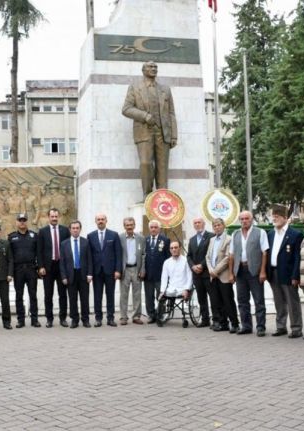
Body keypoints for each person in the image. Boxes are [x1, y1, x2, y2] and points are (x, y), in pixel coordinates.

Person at [121, 61, 177, 197]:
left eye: (155, 67)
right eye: (150, 67)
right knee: (145, 163)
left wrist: (174, 135)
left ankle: (162, 197)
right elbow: (126, 109)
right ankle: (147, 195)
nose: (153, 69)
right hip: (144, 132)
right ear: (143, 70)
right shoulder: (135, 88)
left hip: (163, 133)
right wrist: (144, 116)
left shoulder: (165, 89)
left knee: (162, 168)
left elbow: (171, 113)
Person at [228, 211, 269, 336]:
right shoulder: (235, 234)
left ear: (251, 219)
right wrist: (231, 273)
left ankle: (261, 327)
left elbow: (264, 253)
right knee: (242, 300)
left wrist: (263, 271)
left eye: (246, 218)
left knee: (259, 300)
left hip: (255, 271)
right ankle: (246, 326)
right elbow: (231, 255)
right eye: (242, 219)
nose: (244, 221)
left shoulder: (260, 232)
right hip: (240, 270)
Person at [266, 206, 304, 338]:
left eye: (277, 216)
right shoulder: (271, 234)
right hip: (273, 272)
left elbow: (297, 257)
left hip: (288, 274)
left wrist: (295, 276)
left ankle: (296, 328)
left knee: (292, 302)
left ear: (286, 218)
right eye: (273, 216)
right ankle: (281, 326)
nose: (274, 218)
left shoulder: (295, 234)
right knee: (278, 302)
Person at [37, 208, 70, 328]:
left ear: (58, 217)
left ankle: (63, 318)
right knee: (48, 295)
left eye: (56, 216)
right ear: (48, 217)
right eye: (52, 216)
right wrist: (41, 266)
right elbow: (39, 251)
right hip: (48, 267)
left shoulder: (65, 230)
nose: (54, 218)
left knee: (63, 294)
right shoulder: (42, 231)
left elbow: (68, 249)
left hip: (61, 267)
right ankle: (49, 319)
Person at [87, 213, 122, 327]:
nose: (100, 221)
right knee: (97, 296)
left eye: (102, 219)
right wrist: (90, 272)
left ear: (106, 221)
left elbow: (118, 254)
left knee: (110, 295)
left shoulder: (114, 235)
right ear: (96, 221)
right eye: (98, 219)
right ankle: (98, 318)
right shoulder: (90, 236)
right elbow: (89, 256)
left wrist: (118, 270)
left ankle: (110, 318)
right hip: (96, 271)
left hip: (110, 271)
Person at [206, 218, 238, 332]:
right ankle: (223, 323)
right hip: (213, 276)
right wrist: (210, 270)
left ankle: (235, 324)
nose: (217, 227)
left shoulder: (229, 239)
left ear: (223, 226)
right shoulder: (212, 240)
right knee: (217, 301)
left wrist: (215, 271)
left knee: (228, 301)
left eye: (219, 225)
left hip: (223, 275)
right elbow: (207, 257)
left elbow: (227, 258)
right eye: (214, 226)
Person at [9, 213, 40, 328]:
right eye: (20, 220)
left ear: (27, 222)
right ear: (17, 222)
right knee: (19, 296)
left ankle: (34, 319)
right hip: (18, 270)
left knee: (33, 295)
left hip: (31, 269)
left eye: (24, 220)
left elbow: (38, 253)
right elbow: (10, 257)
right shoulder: (11, 237)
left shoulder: (34, 236)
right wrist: (10, 272)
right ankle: (20, 320)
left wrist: (39, 267)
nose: (22, 222)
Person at [60, 220, 93, 328]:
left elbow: (89, 259)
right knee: (72, 299)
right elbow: (62, 262)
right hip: (71, 275)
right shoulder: (64, 244)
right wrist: (64, 276)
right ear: (70, 230)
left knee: (84, 299)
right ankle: (74, 320)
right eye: (73, 228)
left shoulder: (86, 242)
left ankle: (85, 319)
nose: (75, 230)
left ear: (80, 229)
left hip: (83, 274)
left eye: (77, 228)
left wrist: (90, 274)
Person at [157, 241, 192, 327]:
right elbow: (164, 278)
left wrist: (187, 289)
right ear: (169, 250)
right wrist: (162, 291)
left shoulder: (186, 261)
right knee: (161, 296)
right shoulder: (167, 262)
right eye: (172, 248)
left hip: (182, 288)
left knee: (183, 292)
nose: (174, 250)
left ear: (180, 248)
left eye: (176, 247)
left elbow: (189, 276)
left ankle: (184, 317)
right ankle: (161, 316)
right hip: (171, 289)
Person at [187, 217, 214, 327]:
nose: (197, 224)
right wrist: (193, 266)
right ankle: (205, 319)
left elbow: (211, 254)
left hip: (207, 272)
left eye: (199, 222)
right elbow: (189, 256)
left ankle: (217, 319)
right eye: (195, 223)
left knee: (213, 297)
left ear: (204, 224)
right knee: (201, 298)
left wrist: (202, 265)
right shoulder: (192, 239)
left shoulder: (211, 236)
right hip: (196, 274)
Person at [118, 217, 146, 325]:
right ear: (124, 226)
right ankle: (123, 317)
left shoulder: (141, 238)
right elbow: (117, 255)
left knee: (137, 294)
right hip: (124, 269)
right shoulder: (120, 238)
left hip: (136, 268)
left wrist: (142, 269)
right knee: (123, 294)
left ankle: (136, 316)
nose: (129, 227)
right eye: (127, 225)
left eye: (131, 225)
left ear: (134, 225)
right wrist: (118, 270)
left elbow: (143, 254)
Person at [143, 219, 170, 324]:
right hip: (148, 274)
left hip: (160, 274)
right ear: (149, 228)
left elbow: (168, 258)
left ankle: (160, 314)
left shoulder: (165, 240)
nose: (153, 229)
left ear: (159, 228)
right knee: (149, 296)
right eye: (151, 227)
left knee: (161, 296)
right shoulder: (145, 240)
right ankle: (151, 315)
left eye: (155, 227)